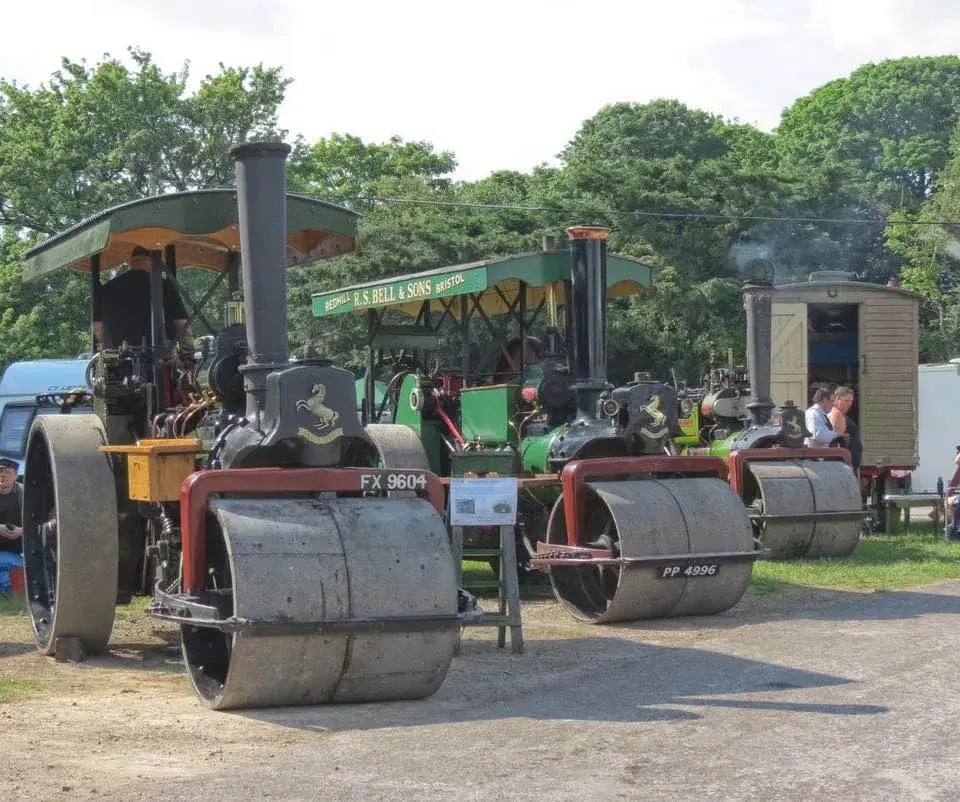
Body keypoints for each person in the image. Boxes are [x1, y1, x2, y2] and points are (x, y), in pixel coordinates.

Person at [93, 246, 195, 353]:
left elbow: (98, 326)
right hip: (160, 358)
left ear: (132, 262)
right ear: (151, 262)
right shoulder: (165, 286)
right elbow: (182, 324)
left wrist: (107, 352)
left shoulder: (108, 288)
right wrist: (189, 354)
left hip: (120, 358)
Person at [0, 458, 23, 596]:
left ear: (16, 476)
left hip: (15, 554)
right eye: (0, 471)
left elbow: (41, 523)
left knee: (22, 567)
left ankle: (8, 583)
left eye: (7, 472)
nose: (2, 475)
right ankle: (9, 584)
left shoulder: (24, 494)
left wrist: (21, 531)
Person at [828, 386, 861, 470]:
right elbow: (833, 439)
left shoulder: (840, 414)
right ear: (838, 398)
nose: (849, 403)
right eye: (847, 400)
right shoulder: (836, 414)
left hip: (847, 461)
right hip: (843, 463)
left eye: (851, 401)